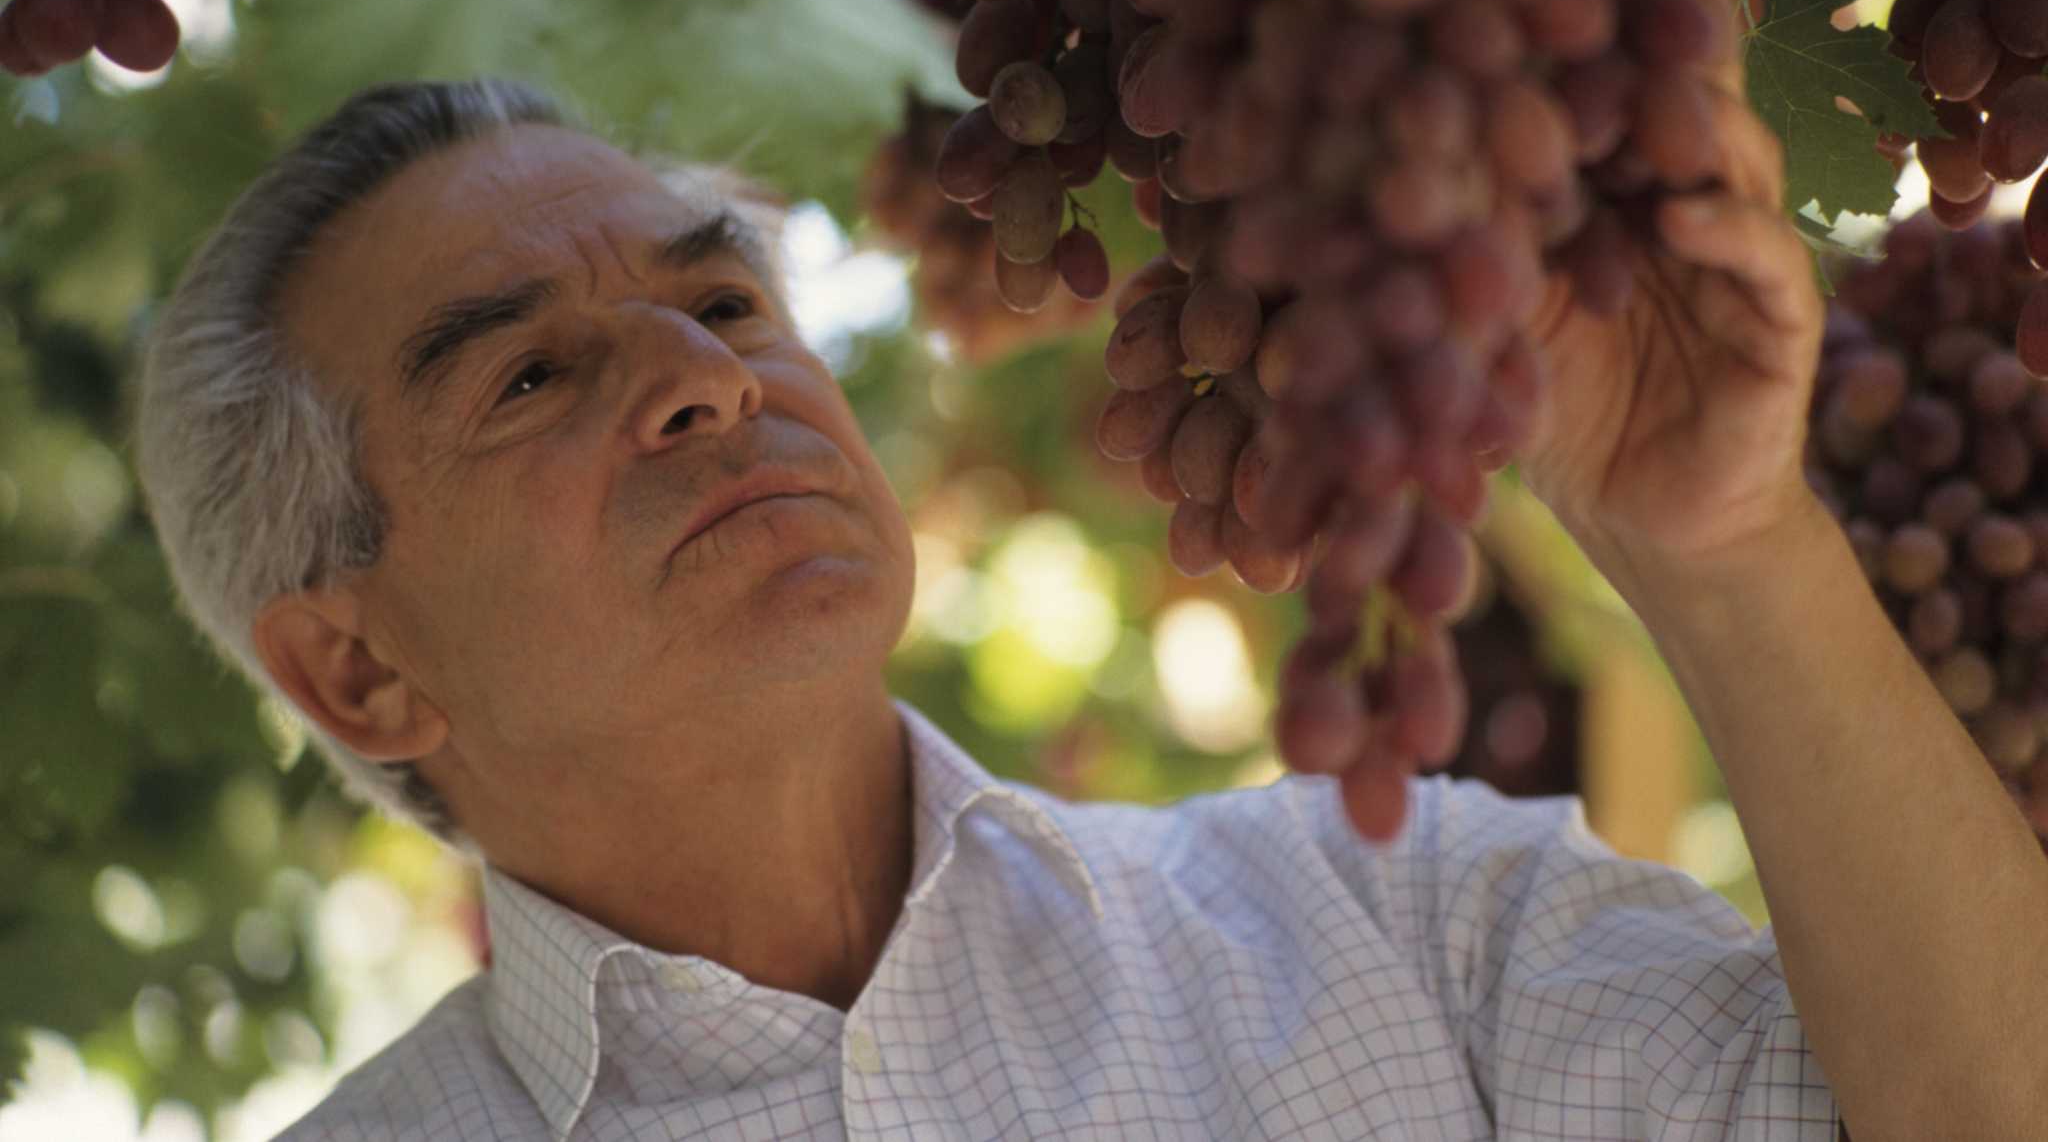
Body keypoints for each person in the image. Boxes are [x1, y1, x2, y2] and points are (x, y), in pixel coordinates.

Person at [130, 78, 2043, 1142]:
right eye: (527, 379)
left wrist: (1729, 545)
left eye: (722, 304)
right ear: (356, 665)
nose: (713, 378)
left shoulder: (1403, 916)